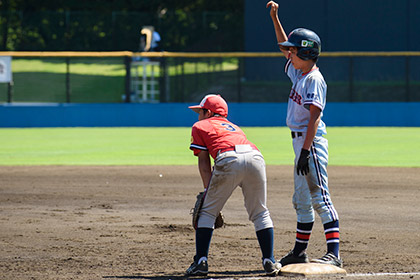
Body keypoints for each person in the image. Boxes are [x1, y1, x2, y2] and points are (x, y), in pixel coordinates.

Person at [266, 1, 342, 268]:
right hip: (300, 144)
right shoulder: (299, 72)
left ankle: (334, 252)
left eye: (294, 51)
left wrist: (307, 152)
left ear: (307, 53)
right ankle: (300, 251)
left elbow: (314, 117)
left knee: (319, 195)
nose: (288, 54)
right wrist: (275, 18)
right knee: (301, 199)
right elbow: (283, 46)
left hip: (311, 144)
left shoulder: (313, 79)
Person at [185, 94, 281, 276]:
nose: (198, 115)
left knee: (206, 212)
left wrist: (208, 193)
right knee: (260, 212)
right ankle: (269, 260)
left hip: (228, 158)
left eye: (200, 111)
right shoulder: (235, 127)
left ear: (209, 112)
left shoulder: (200, 126)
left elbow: (204, 165)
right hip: (255, 157)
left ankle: (200, 262)